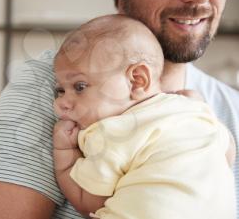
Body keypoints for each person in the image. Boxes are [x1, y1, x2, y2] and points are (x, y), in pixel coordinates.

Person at [0, 0, 239, 218]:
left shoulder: (231, 107)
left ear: (139, 79)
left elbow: (90, 197)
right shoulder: (44, 85)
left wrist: (66, 161)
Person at [52, 14, 236, 219]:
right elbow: (228, 153)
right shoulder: (190, 110)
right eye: (60, 90)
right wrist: (201, 109)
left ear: (137, 80)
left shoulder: (109, 132)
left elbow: (90, 203)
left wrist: (65, 156)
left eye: (80, 87)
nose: (61, 103)